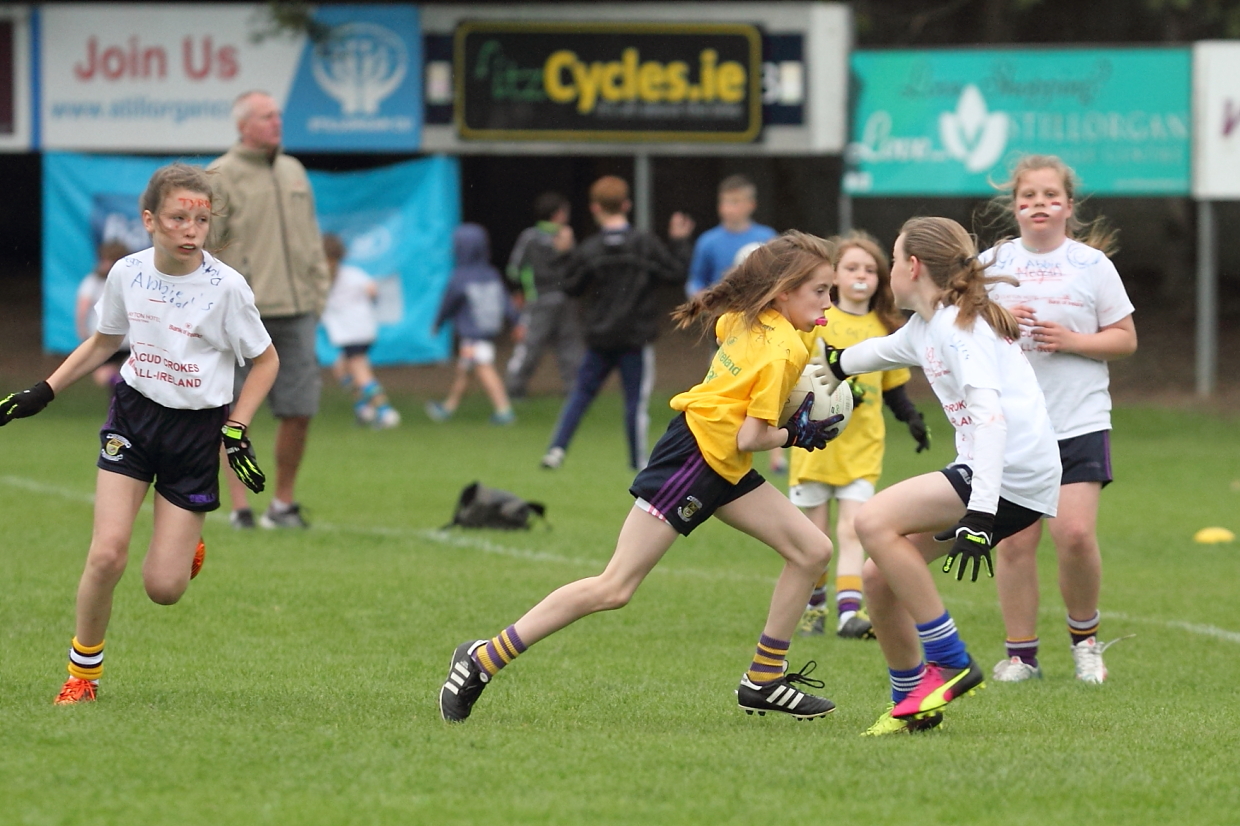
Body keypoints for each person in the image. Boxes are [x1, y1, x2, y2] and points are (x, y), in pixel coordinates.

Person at [440, 230, 845, 724]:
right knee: (614, 587)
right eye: (820, 290)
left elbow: (729, 348)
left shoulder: (749, 318)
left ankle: (763, 679)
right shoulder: (781, 349)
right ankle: (480, 660)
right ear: (782, 291)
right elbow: (751, 438)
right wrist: (796, 433)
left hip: (719, 460)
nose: (829, 300)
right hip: (693, 461)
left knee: (813, 550)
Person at [0, 163, 277, 704]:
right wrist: (45, 391)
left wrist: (237, 430)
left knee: (164, 589)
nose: (191, 229)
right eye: (178, 217)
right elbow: (104, 342)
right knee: (107, 554)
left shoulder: (227, 289)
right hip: (133, 418)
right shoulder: (126, 272)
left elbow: (266, 362)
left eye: (201, 218)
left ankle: (186, 546)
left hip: (197, 432)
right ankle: (83, 675)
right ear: (149, 220)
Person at [814, 217, 1060, 735]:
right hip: (1002, 469)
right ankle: (913, 705)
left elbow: (991, 420)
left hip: (1009, 472)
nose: (886, 274)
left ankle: (949, 660)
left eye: (892, 259)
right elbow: (874, 353)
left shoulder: (956, 328)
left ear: (913, 267)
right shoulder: (930, 324)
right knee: (879, 576)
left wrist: (979, 514)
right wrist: (828, 365)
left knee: (873, 521)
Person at [979, 155, 1138, 684]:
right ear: (1015, 205)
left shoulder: (1093, 266)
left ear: (1069, 205)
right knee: (1016, 540)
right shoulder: (991, 263)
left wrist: (1073, 341)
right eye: (1029, 196)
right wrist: (998, 320)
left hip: (1078, 419)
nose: (1039, 204)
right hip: (1014, 424)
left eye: (1050, 196)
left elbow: (1125, 338)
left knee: (1072, 534)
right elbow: (958, 330)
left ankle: (1086, 642)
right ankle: (1020, 656)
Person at [788, 231, 930, 640]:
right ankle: (814, 609)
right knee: (812, 539)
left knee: (853, 528)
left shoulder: (885, 327)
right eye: (851, 267)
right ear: (834, 276)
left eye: (869, 268)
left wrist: (911, 417)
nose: (861, 275)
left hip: (863, 445)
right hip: (812, 442)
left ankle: (849, 614)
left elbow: (893, 387)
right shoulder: (817, 320)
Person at [207, 90, 331, 530]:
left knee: (300, 409)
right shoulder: (219, 175)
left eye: (278, 114)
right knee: (234, 414)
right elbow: (206, 248)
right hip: (242, 316)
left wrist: (318, 294)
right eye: (266, 116)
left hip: (297, 311)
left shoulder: (294, 169)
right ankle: (241, 506)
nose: (277, 121)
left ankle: (282, 504)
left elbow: (312, 239)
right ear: (243, 126)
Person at [539, 176, 694, 471]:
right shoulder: (644, 244)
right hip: (634, 339)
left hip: (599, 338)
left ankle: (556, 451)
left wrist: (565, 254)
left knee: (580, 396)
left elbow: (570, 286)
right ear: (626, 205)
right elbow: (675, 273)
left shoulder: (590, 248)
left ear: (595, 208)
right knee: (635, 404)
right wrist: (679, 241)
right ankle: (637, 461)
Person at [426, 223, 521, 425]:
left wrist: (437, 324)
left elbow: (447, 305)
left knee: (483, 368)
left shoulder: (459, 277)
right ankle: (448, 407)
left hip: (472, 335)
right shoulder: (491, 273)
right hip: (487, 330)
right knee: (466, 371)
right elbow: (505, 300)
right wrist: (516, 321)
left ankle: (504, 410)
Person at [503, 192, 584, 399]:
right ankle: (574, 390)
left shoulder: (529, 237)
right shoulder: (565, 236)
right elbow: (578, 270)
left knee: (529, 346)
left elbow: (514, 269)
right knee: (569, 345)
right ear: (557, 214)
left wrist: (519, 291)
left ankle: (514, 389)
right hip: (564, 300)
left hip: (540, 300)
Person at [320, 234, 400, 429]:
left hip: (356, 331)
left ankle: (386, 412)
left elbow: (372, 289)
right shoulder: (325, 278)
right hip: (350, 332)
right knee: (341, 369)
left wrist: (365, 304)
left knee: (360, 372)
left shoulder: (350, 274)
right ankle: (364, 409)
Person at [685, 174, 777, 297]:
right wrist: (701, 296)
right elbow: (695, 281)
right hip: (721, 312)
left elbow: (779, 279)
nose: (728, 208)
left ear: (751, 205)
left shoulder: (768, 238)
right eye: (724, 201)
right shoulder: (707, 241)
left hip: (758, 310)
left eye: (735, 202)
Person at [75, 240, 133, 388]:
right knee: (126, 372)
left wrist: (82, 329)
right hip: (128, 336)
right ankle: (120, 385)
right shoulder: (132, 281)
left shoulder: (93, 282)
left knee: (101, 373)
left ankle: (117, 382)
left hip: (105, 336)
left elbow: (83, 306)